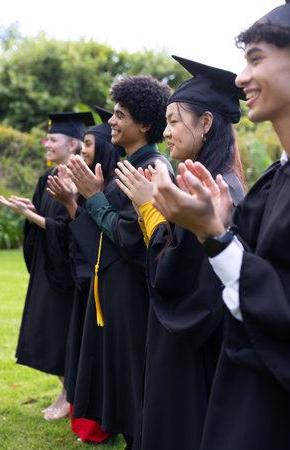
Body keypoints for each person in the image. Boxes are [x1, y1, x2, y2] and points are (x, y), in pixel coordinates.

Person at [148, 2, 290, 448]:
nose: (241, 77)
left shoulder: (235, 186)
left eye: (255, 59)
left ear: (206, 123)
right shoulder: (273, 180)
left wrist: (211, 234)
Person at [115, 56, 245, 450]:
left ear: (205, 123)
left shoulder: (216, 192)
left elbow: (177, 278)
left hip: (193, 354)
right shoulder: (214, 180)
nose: (166, 132)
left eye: (174, 120)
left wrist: (148, 209)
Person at [65, 76, 173, 450]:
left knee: (135, 384)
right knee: (123, 384)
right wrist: (79, 201)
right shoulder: (130, 165)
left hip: (133, 298)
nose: (111, 120)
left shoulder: (151, 168)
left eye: (119, 114)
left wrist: (94, 198)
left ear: (144, 124)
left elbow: (131, 238)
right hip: (115, 295)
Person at [0, 111, 94, 421]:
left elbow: (70, 227)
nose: (46, 144)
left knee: (62, 332)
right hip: (47, 264)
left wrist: (31, 216)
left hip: (68, 269)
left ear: (74, 145)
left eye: (52, 140)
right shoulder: (46, 178)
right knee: (48, 329)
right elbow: (48, 219)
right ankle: (64, 391)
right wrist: (30, 209)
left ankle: (69, 395)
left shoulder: (82, 181)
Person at [46, 106, 121, 443]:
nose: (84, 150)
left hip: (104, 283)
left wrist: (77, 203)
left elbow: (108, 241)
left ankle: (98, 424)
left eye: (89, 144)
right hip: (87, 279)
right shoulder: (98, 185)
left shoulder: (116, 187)